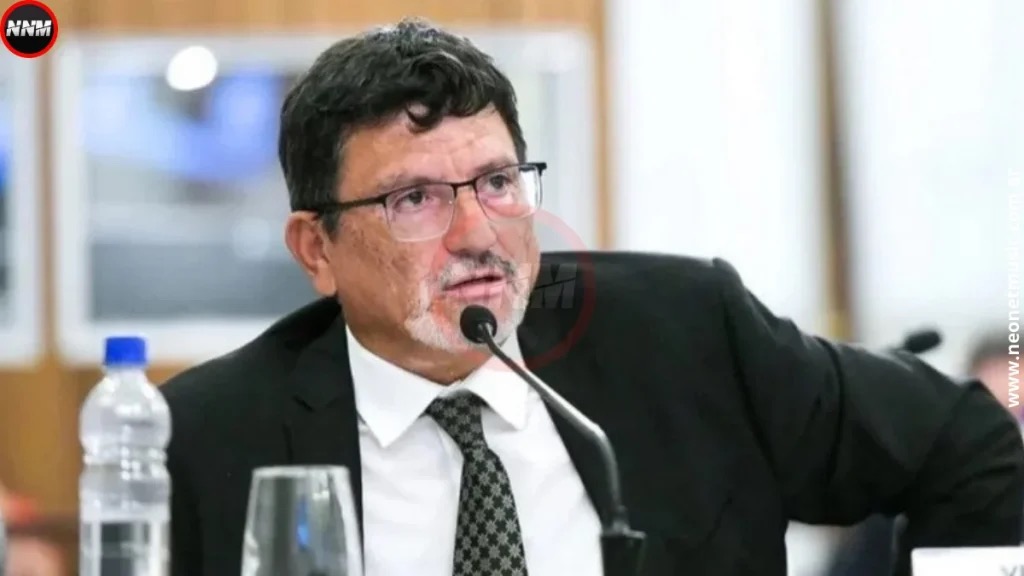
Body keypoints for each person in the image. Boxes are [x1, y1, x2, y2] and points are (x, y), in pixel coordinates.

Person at [160, 18, 1024, 576]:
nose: (478, 232)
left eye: (498, 182)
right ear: (317, 249)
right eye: (415, 199)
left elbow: (970, 443)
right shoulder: (203, 440)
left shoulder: (687, 331)